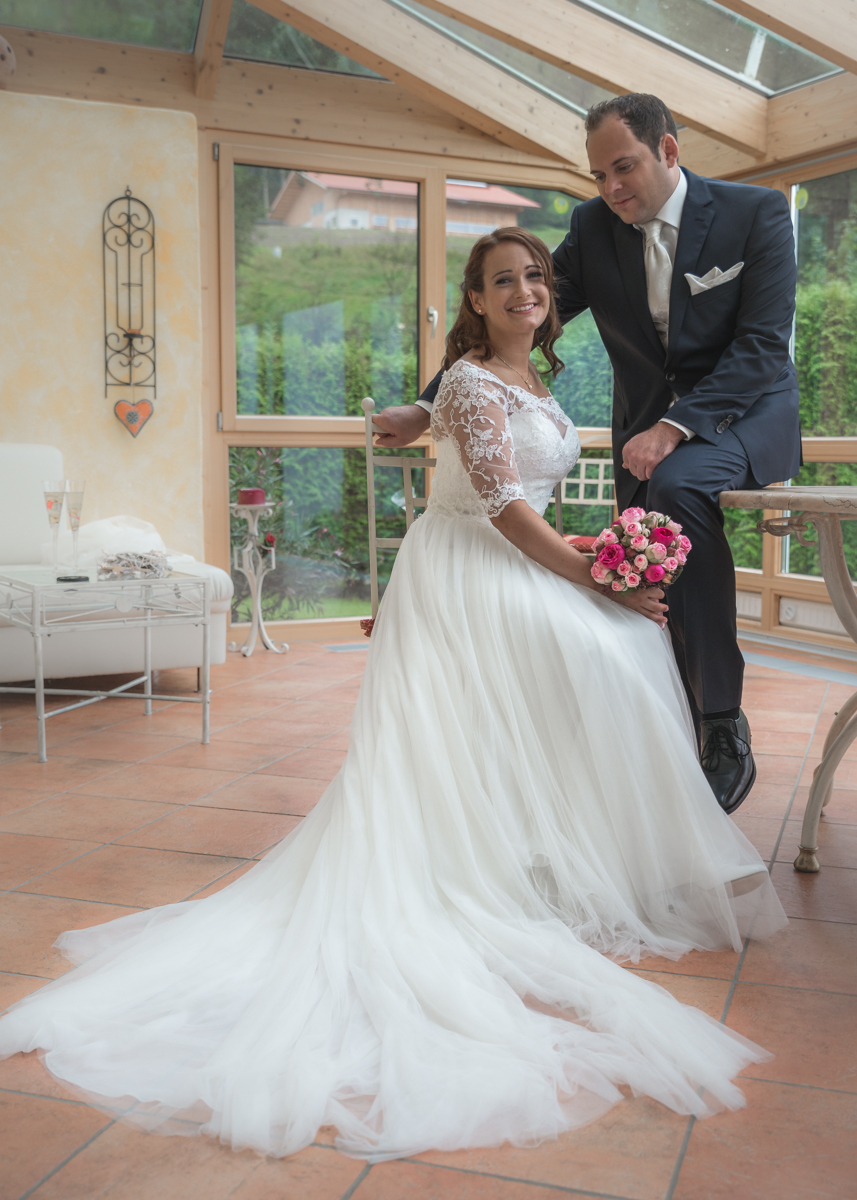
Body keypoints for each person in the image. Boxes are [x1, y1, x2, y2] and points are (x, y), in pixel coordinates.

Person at [0, 229, 787, 1164]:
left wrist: (598, 559)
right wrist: (591, 578)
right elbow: (502, 508)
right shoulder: (467, 384)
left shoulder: (539, 382)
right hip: (466, 564)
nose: (526, 290)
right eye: (504, 280)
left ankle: (553, 848)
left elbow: (536, 502)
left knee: (626, 643)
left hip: (515, 561)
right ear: (476, 299)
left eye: (536, 277)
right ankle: (501, 855)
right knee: (610, 644)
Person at [377, 94, 801, 817]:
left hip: (744, 413)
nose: (611, 188)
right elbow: (520, 311)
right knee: (636, 562)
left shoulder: (755, 213)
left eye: (623, 168)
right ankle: (666, 736)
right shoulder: (592, 226)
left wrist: (674, 427)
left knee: (673, 489)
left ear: (668, 150)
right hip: (644, 432)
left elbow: (762, 346)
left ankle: (722, 721)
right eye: (599, 175)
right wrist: (428, 405)